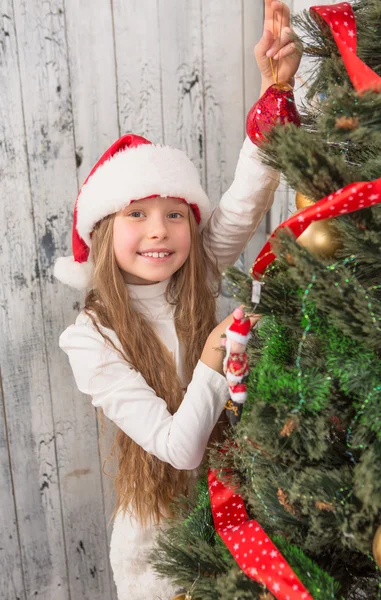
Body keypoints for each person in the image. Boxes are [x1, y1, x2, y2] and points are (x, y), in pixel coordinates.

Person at [55, 2, 302, 598]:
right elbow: (179, 448)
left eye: (175, 214)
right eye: (136, 214)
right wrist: (216, 359)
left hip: (236, 508)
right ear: (104, 232)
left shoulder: (196, 278)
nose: (160, 230)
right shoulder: (89, 338)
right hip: (161, 543)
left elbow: (245, 198)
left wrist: (276, 90)